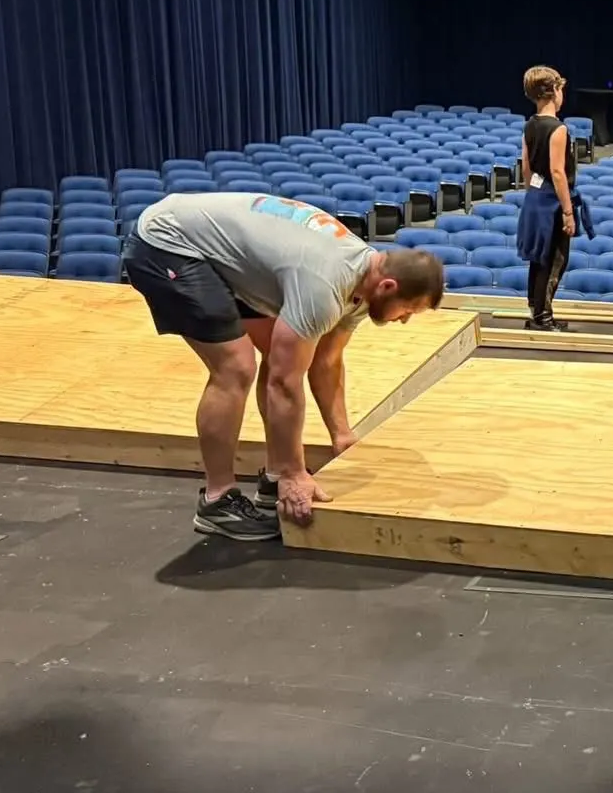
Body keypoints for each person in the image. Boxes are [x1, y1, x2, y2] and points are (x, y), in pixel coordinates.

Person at [122, 193, 445, 541]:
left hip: (222, 252)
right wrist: (296, 472)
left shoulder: (364, 286)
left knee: (278, 353)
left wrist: (341, 434)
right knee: (236, 367)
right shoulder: (325, 286)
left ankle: (274, 476)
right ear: (388, 286)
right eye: (408, 310)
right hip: (168, 242)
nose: (405, 320)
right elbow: (284, 383)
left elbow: (326, 361)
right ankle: (217, 501)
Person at [516, 65, 576, 332]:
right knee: (554, 259)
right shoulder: (558, 129)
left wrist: (534, 196)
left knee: (538, 258)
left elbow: (526, 169)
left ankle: (537, 310)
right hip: (553, 202)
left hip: (535, 198)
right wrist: (568, 212)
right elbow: (557, 172)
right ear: (554, 91)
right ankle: (543, 317)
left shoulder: (529, 125)